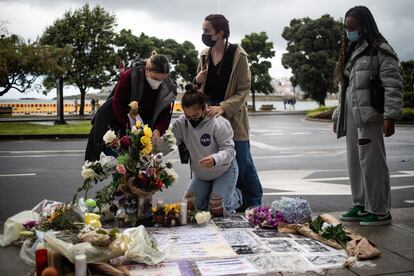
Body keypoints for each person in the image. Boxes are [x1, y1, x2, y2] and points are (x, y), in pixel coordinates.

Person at [332, 6, 403, 225]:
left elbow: (393, 85)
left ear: (364, 26)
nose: (348, 31)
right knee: (355, 161)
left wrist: (390, 116)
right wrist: (337, 115)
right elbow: (345, 88)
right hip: (352, 114)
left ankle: (380, 210)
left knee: (372, 163)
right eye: (345, 27)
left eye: (351, 27)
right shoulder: (352, 50)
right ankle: (362, 204)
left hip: (371, 115)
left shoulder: (380, 50)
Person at [195, 14, 262, 210]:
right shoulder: (204, 55)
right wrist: (198, 80)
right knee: (217, 162)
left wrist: (223, 107)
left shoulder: (238, 56)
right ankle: (234, 201)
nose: (204, 34)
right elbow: (198, 89)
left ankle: (254, 203)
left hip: (232, 116)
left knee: (243, 161)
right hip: (209, 117)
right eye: (203, 30)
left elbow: (243, 90)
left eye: (207, 31)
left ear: (220, 33)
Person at [85, 53, 177, 161]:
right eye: (155, 79)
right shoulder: (130, 76)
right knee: (123, 165)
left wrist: (158, 130)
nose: (158, 83)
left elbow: (165, 114)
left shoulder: (167, 87)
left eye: (161, 81)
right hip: (117, 125)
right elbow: (118, 103)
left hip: (144, 132)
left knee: (144, 168)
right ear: (147, 70)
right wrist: (133, 128)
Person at [172, 84, 242, 216]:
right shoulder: (182, 123)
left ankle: (236, 196)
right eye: (188, 116)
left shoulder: (218, 122)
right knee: (189, 208)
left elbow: (230, 151)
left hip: (224, 170)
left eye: (196, 115)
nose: (192, 119)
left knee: (217, 210)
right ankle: (211, 195)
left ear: (205, 107)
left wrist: (215, 159)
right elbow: (170, 140)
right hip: (201, 174)